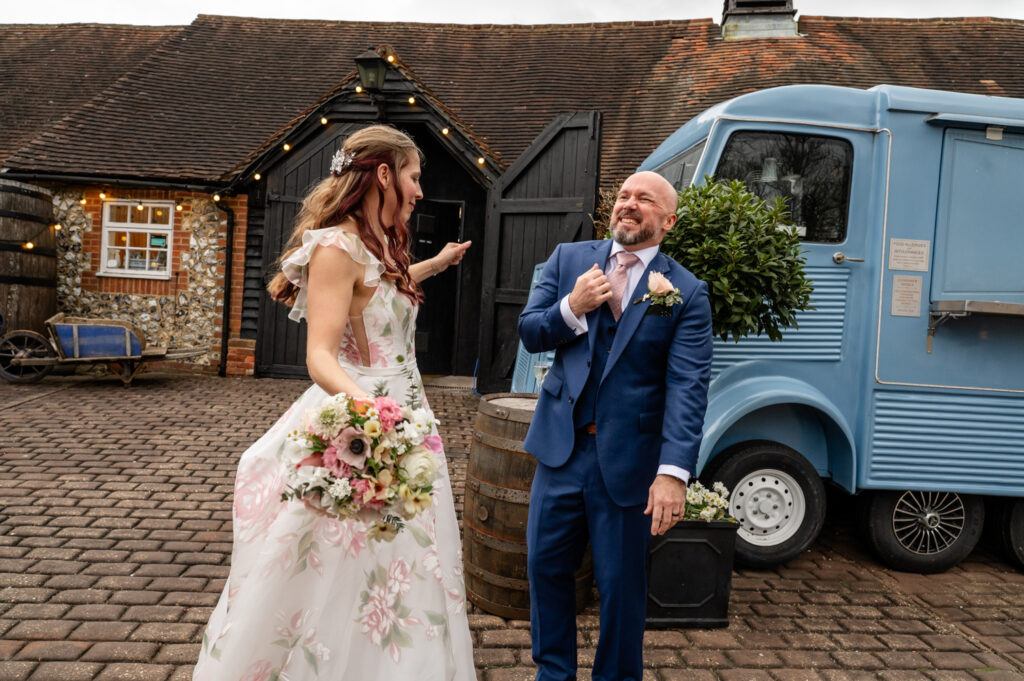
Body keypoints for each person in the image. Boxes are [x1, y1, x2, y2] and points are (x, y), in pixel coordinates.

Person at [192, 125, 475, 681]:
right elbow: (320, 357)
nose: (419, 192)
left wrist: (435, 264)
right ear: (385, 175)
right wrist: (372, 414)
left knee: (408, 562)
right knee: (344, 564)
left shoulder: (377, 249)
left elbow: (379, 292)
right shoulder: (336, 248)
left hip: (410, 424)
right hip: (366, 425)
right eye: (415, 178)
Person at [518, 171, 713, 681]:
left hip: (629, 462)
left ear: (668, 221)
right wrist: (572, 306)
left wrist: (672, 473)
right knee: (546, 570)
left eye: (644, 199)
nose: (629, 204)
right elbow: (530, 332)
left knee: (622, 587)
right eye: (623, 196)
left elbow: (689, 386)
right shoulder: (568, 260)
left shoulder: (686, 293)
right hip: (560, 450)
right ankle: (552, 674)